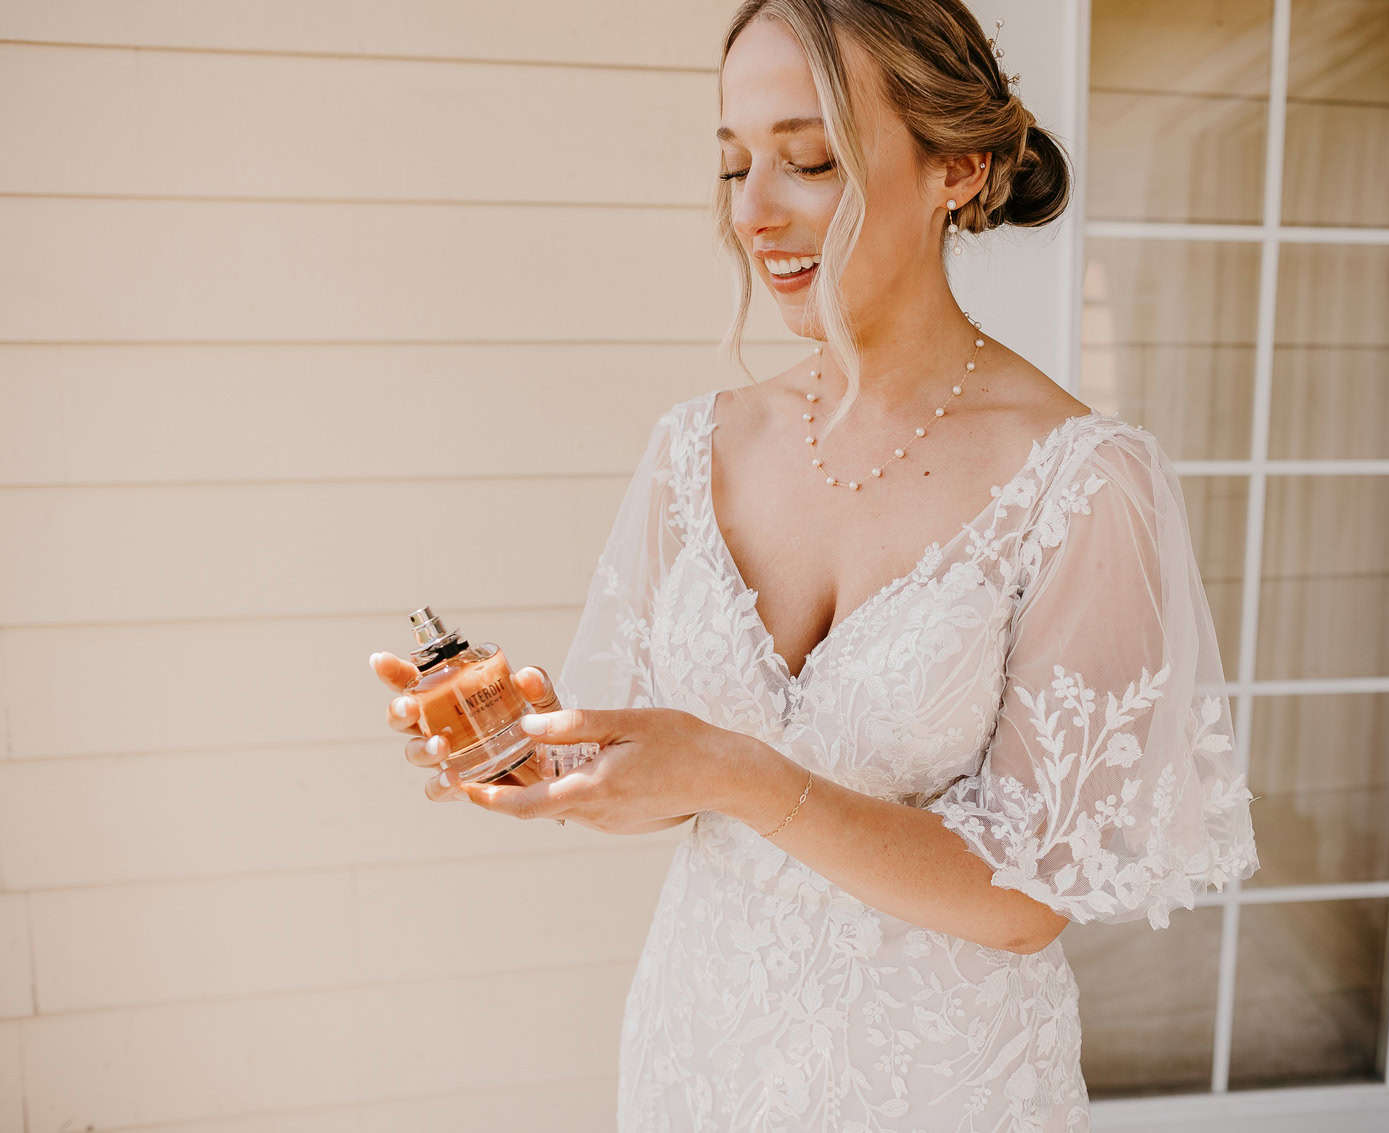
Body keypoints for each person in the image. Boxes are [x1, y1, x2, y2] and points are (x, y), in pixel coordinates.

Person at [371, 1, 1259, 1127]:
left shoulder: (1079, 479)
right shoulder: (694, 447)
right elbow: (655, 784)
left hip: (938, 1086)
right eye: (734, 164)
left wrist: (739, 771)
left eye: (808, 160)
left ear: (957, 167)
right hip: (696, 1057)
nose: (753, 213)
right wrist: (537, 745)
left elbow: (1032, 896)